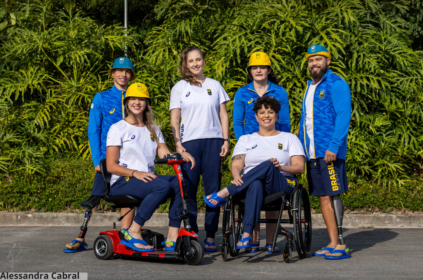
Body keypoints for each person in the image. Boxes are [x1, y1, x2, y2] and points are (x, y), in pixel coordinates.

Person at [204, 96, 305, 250]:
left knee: (269, 164)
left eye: (270, 112)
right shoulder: (246, 139)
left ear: (276, 115)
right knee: (256, 183)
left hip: (280, 182)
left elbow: (300, 168)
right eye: (262, 112)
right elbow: (237, 164)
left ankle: (225, 192)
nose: (266, 115)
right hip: (251, 185)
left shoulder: (289, 138)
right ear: (256, 116)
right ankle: (247, 235)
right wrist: (236, 175)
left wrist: (281, 167)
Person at [107, 82, 196, 252]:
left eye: (141, 99)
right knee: (162, 186)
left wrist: (180, 154)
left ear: (147, 103)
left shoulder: (153, 129)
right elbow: (111, 166)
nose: (137, 102)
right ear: (126, 102)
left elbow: (164, 153)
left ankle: (172, 237)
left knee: (180, 181)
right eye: (133, 98)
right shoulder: (118, 128)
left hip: (145, 178)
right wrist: (135, 173)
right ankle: (134, 230)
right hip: (123, 180)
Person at [64, 57, 136, 253]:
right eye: (119, 71)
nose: (123, 74)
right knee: (95, 196)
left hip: (130, 158)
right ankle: (81, 237)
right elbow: (93, 130)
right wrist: (97, 160)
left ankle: (126, 235)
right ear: (112, 73)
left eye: (127, 71)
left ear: (131, 75)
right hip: (107, 158)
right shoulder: (101, 98)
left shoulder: (136, 99)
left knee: (129, 198)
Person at [169, 47, 230, 252]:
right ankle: (192, 232)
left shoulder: (215, 85)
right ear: (185, 64)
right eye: (190, 61)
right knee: (189, 190)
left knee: (214, 191)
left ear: (204, 60)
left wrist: (226, 140)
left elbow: (223, 115)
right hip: (190, 145)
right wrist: (178, 144)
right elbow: (174, 118)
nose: (195, 64)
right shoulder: (179, 87)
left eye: (198, 59)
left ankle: (211, 236)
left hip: (213, 142)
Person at [232, 51, 291, 253]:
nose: (258, 70)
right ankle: (253, 241)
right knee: (253, 186)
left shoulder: (279, 92)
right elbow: (237, 123)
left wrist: (281, 145)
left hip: (274, 144)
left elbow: (285, 122)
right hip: (251, 149)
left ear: (268, 69)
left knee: (271, 192)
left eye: (262, 67)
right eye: (254, 67)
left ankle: (271, 242)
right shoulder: (242, 93)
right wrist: (244, 145)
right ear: (250, 70)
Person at [299, 44, 351, 260]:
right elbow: (306, 122)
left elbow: (343, 116)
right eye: (311, 60)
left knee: (333, 195)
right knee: (322, 198)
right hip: (313, 153)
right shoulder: (311, 85)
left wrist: (333, 146)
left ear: (328, 62)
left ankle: (341, 244)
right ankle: (332, 242)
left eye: (318, 59)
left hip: (329, 151)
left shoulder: (336, 84)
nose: (314, 64)